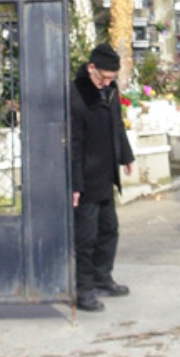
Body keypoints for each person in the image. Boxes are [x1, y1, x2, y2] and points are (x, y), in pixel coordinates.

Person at [70, 43, 134, 312]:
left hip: (106, 174)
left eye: (111, 78)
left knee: (109, 230)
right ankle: (83, 290)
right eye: (103, 77)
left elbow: (116, 124)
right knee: (85, 238)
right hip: (85, 178)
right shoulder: (77, 93)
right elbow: (73, 142)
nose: (106, 83)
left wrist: (126, 156)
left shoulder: (109, 90)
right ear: (91, 68)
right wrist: (75, 184)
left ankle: (102, 276)